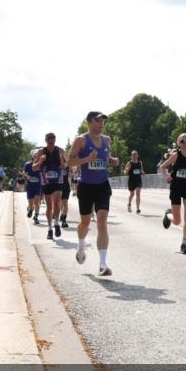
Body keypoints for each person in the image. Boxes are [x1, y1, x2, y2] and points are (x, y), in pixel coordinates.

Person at [67, 111, 120, 276]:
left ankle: (103, 264)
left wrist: (112, 160)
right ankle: (81, 246)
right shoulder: (81, 140)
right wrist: (85, 160)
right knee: (85, 223)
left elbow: (106, 157)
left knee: (102, 222)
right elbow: (69, 162)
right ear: (88, 123)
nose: (101, 123)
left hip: (103, 185)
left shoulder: (106, 140)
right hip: (86, 186)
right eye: (97, 120)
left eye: (102, 120)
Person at [33, 132, 67, 241]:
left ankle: (56, 223)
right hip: (46, 181)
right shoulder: (41, 152)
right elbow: (34, 168)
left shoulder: (60, 150)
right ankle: (49, 229)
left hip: (58, 180)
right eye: (49, 138)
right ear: (45, 140)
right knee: (49, 206)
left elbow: (66, 164)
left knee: (56, 203)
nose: (51, 140)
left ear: (55, 139)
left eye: (53, 138)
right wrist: (41, 161)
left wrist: (63, 164)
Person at [23, 151, 43, 224]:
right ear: (32, 156)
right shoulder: (28, 164)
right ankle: (31, 209)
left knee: (37, 202)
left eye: (37, 155)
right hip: (30, 185)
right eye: (34, 155)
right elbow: (24, 172)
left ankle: (36, 217)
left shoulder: (41, 164)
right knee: (31, 204)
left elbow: (44, 172)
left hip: (38, 185)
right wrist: (28, 177)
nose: (36, 156)